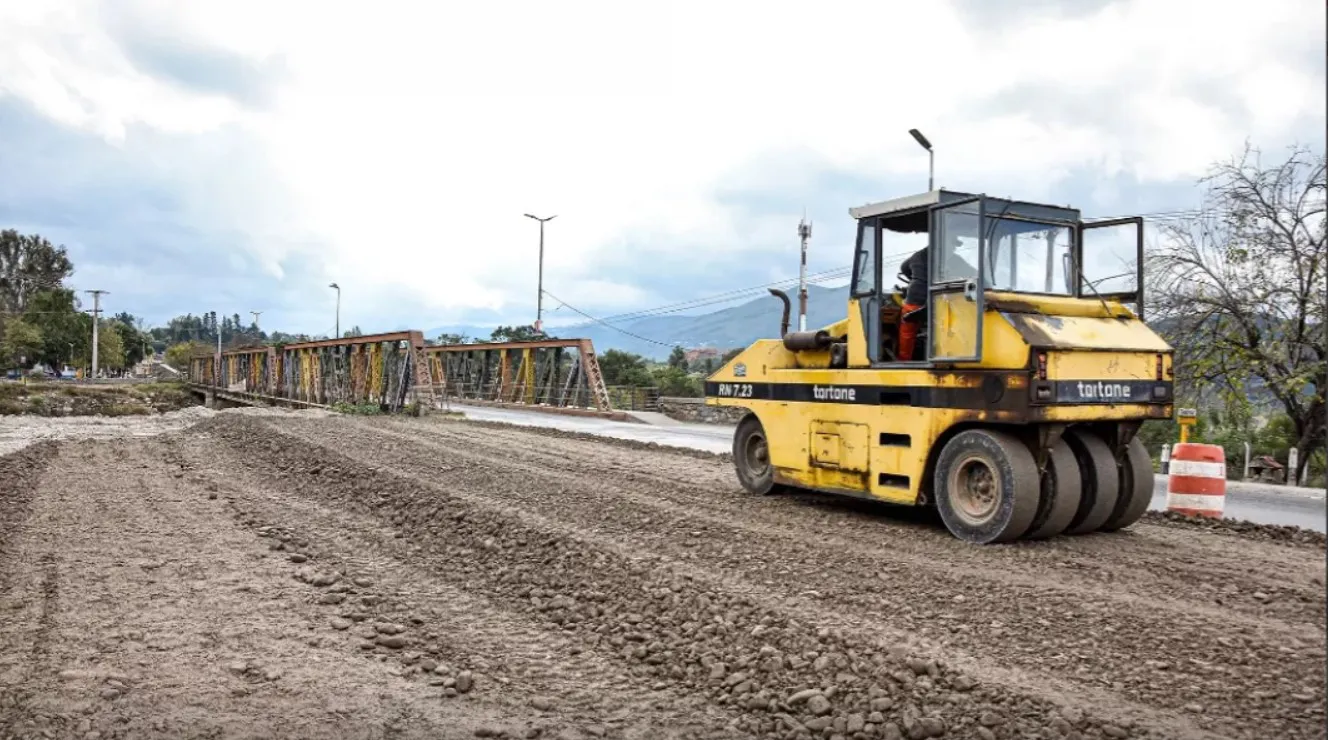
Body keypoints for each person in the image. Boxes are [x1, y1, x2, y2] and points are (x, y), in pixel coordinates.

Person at [896, 237, 976, 361]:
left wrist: (915, 278)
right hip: (934, 300)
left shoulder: (917, 256)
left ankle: (904, 360)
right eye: (952, 245)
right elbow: (972, 273)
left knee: (908, 331)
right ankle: (946, 356)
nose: (953, 249)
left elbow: (904, 268)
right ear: (942, 244)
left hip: (916, 297)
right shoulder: (951, 259)